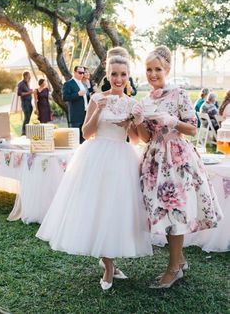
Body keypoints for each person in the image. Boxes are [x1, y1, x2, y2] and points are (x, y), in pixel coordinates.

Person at [36, 48, 151, 291]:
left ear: (128, 75)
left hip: (122, 159)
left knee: (115, 210)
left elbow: (136, 139)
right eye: (114, 74)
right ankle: (108, 265)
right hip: (96, 156)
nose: (118, 79)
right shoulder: (97, 97)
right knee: (98, 207)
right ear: (107, 75)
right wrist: (98, 109)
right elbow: (86, 134)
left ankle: (109, 257)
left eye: (123, 74)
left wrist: (134, 121)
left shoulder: (132, 103)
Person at [131, 45, 223, 289]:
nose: (152, 74)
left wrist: (173, 121)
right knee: (162, 211)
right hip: (154, 160)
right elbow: (146, 138)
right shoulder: (146, 99)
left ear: (167, 69)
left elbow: (193, 129)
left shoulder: (179, 94)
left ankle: (173, 269)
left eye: (157, 69)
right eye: (148, 69)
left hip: (177, 159)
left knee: (174, 211)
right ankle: (179, 260)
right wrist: (139, 121)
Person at [62, 66, 87, 144]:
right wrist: (78, 94)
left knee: (84, 138)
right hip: (76, 115)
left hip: (85, 114)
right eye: (80, 72)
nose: (82, 74)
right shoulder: (68, 84)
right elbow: (65, 97)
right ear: (75, 72)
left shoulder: (83, 84)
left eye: (83, 73)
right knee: (75, 139)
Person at [17, 71, 33, 135]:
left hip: (29, 102)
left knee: (28, 117)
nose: (30, 76)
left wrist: (30, 90)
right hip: (25, 102)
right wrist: (28, 93)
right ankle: (23, 132)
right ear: (26, 75)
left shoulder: (27, 83)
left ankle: (26, 130)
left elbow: (27, 91)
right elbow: (19, 93)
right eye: (29, 75)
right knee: (27, 117)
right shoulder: (21, 83)